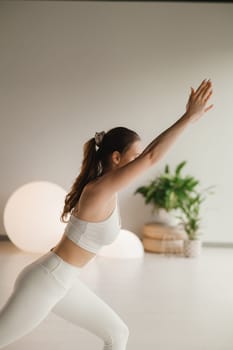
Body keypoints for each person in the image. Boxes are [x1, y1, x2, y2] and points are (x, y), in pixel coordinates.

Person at [0, 79, 213, 349]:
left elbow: (147, 157)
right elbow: (151, 157)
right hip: (46, 282)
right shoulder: (98, 190)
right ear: (116, 158)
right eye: (133, 156)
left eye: (138, 156)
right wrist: (187, 118)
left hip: (61, 281)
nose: (139, 161)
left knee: (117, 332)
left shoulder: (107, 192)